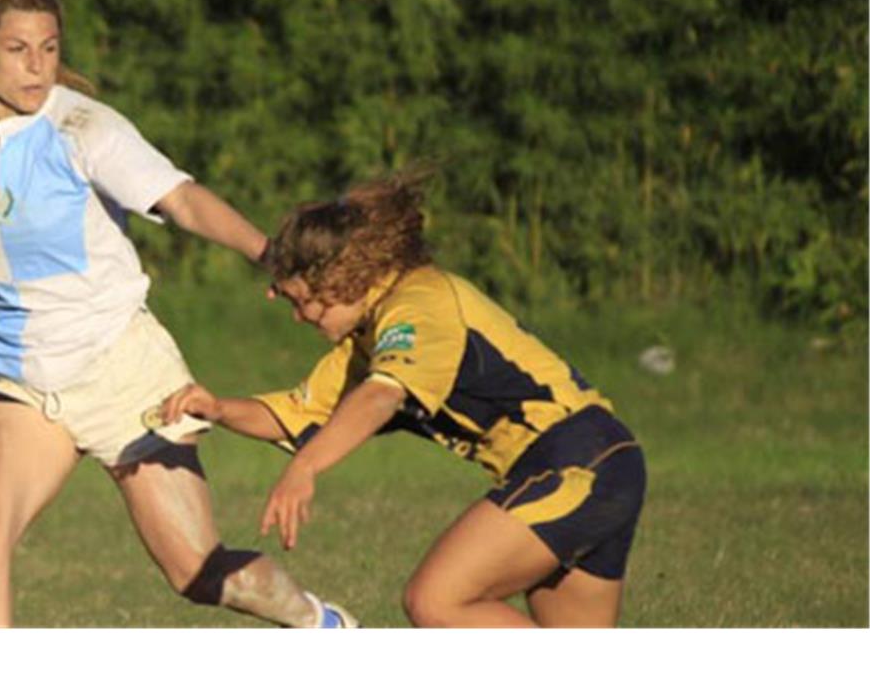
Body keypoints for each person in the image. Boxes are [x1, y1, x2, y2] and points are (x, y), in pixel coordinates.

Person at [0, 0, 353, 628]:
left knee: (198, 571)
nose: (36, 65)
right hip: (25, 386)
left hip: (123, 372)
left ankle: (319, 625)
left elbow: (180, 198)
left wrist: (272, 254)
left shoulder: (83, 125)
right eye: (17, 49)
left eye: (48, 47)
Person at [159, 171, 647, 627]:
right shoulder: (369, 336)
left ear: (338, 279)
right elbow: (299, 413)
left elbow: (378, 398)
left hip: (577, 461)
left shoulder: (418, 305)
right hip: (597, 467)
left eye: (298, 300)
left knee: (435, 599)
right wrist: (219, 409)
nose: (298, 317)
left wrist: (306, 468)